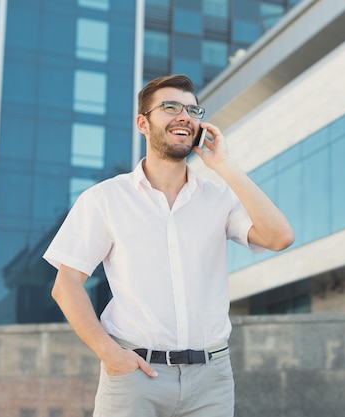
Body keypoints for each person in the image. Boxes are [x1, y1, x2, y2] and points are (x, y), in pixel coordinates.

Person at [43, 74, 295, 417]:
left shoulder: (219, 198)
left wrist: (223, 165)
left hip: (211, 379)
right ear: (142, 123)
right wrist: (110, 354)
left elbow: (279, 237)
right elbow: (66, 285)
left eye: (193, 110)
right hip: (135, 375)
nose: (184, 116)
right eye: (170, 107)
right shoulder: (105, 198)